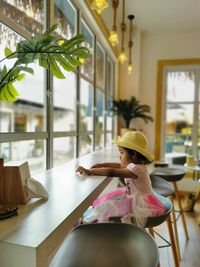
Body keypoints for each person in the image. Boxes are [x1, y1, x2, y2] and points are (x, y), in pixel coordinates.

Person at [76, 131, 168, 228]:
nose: (120, 156)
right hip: (132, 197)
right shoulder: (136, 165)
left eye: (122, 153)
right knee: (106, 204)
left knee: (107, 206)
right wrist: (102, 165)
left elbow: (113, 172)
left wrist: (90, 171)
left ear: (134, 154)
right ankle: (88, 221)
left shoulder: (137, 169)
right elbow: (119, 165)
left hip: (141, 204)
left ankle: (84, 225)